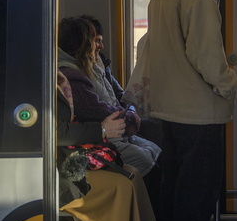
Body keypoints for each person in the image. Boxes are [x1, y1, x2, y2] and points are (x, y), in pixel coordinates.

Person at [141, 0, 237, 221]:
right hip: (198, 109)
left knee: (174, 183)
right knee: (198, 186)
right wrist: (230, 84)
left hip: (169, 105)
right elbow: (207, 57)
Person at [57, 70, 162, 221]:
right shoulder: (52, 77)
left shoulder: (56, 76)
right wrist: (102, 130)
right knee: (120, 185)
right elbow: (53, 131)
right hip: (57, 168)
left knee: (130, 172)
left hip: (67, 157)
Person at [58, 17, 161, 179]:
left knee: (156, 143)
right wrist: (128, 118)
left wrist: (129, 112)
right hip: (102, 137)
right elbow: (95, 111)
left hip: (113, 126)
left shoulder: (93, 66)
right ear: (83, 44)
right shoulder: (72, 75)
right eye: (94, 41)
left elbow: (118, 95)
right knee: (148, 156)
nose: (100, 46)